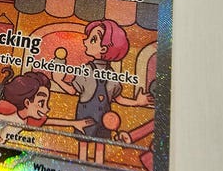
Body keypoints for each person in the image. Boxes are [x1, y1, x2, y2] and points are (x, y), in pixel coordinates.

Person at [52, 19, 153, 163]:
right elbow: (75, 90)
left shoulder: (99, 72)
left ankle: (95, 167)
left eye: (92, 39)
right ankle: (85, 167)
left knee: (98, 145)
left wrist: (58, 80)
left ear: (104, 49)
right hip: (85, 116)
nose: (86, 41)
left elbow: (74, 90)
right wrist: (58, 81)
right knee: (86, 144)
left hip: (105, 118)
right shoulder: (93, 71)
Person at [0, 71, 94, 145]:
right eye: (42, 103)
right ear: (27, 102)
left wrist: (74, 123)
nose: (47, 109)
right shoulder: (10, 109)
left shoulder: (27, 121)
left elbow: (49, 121)